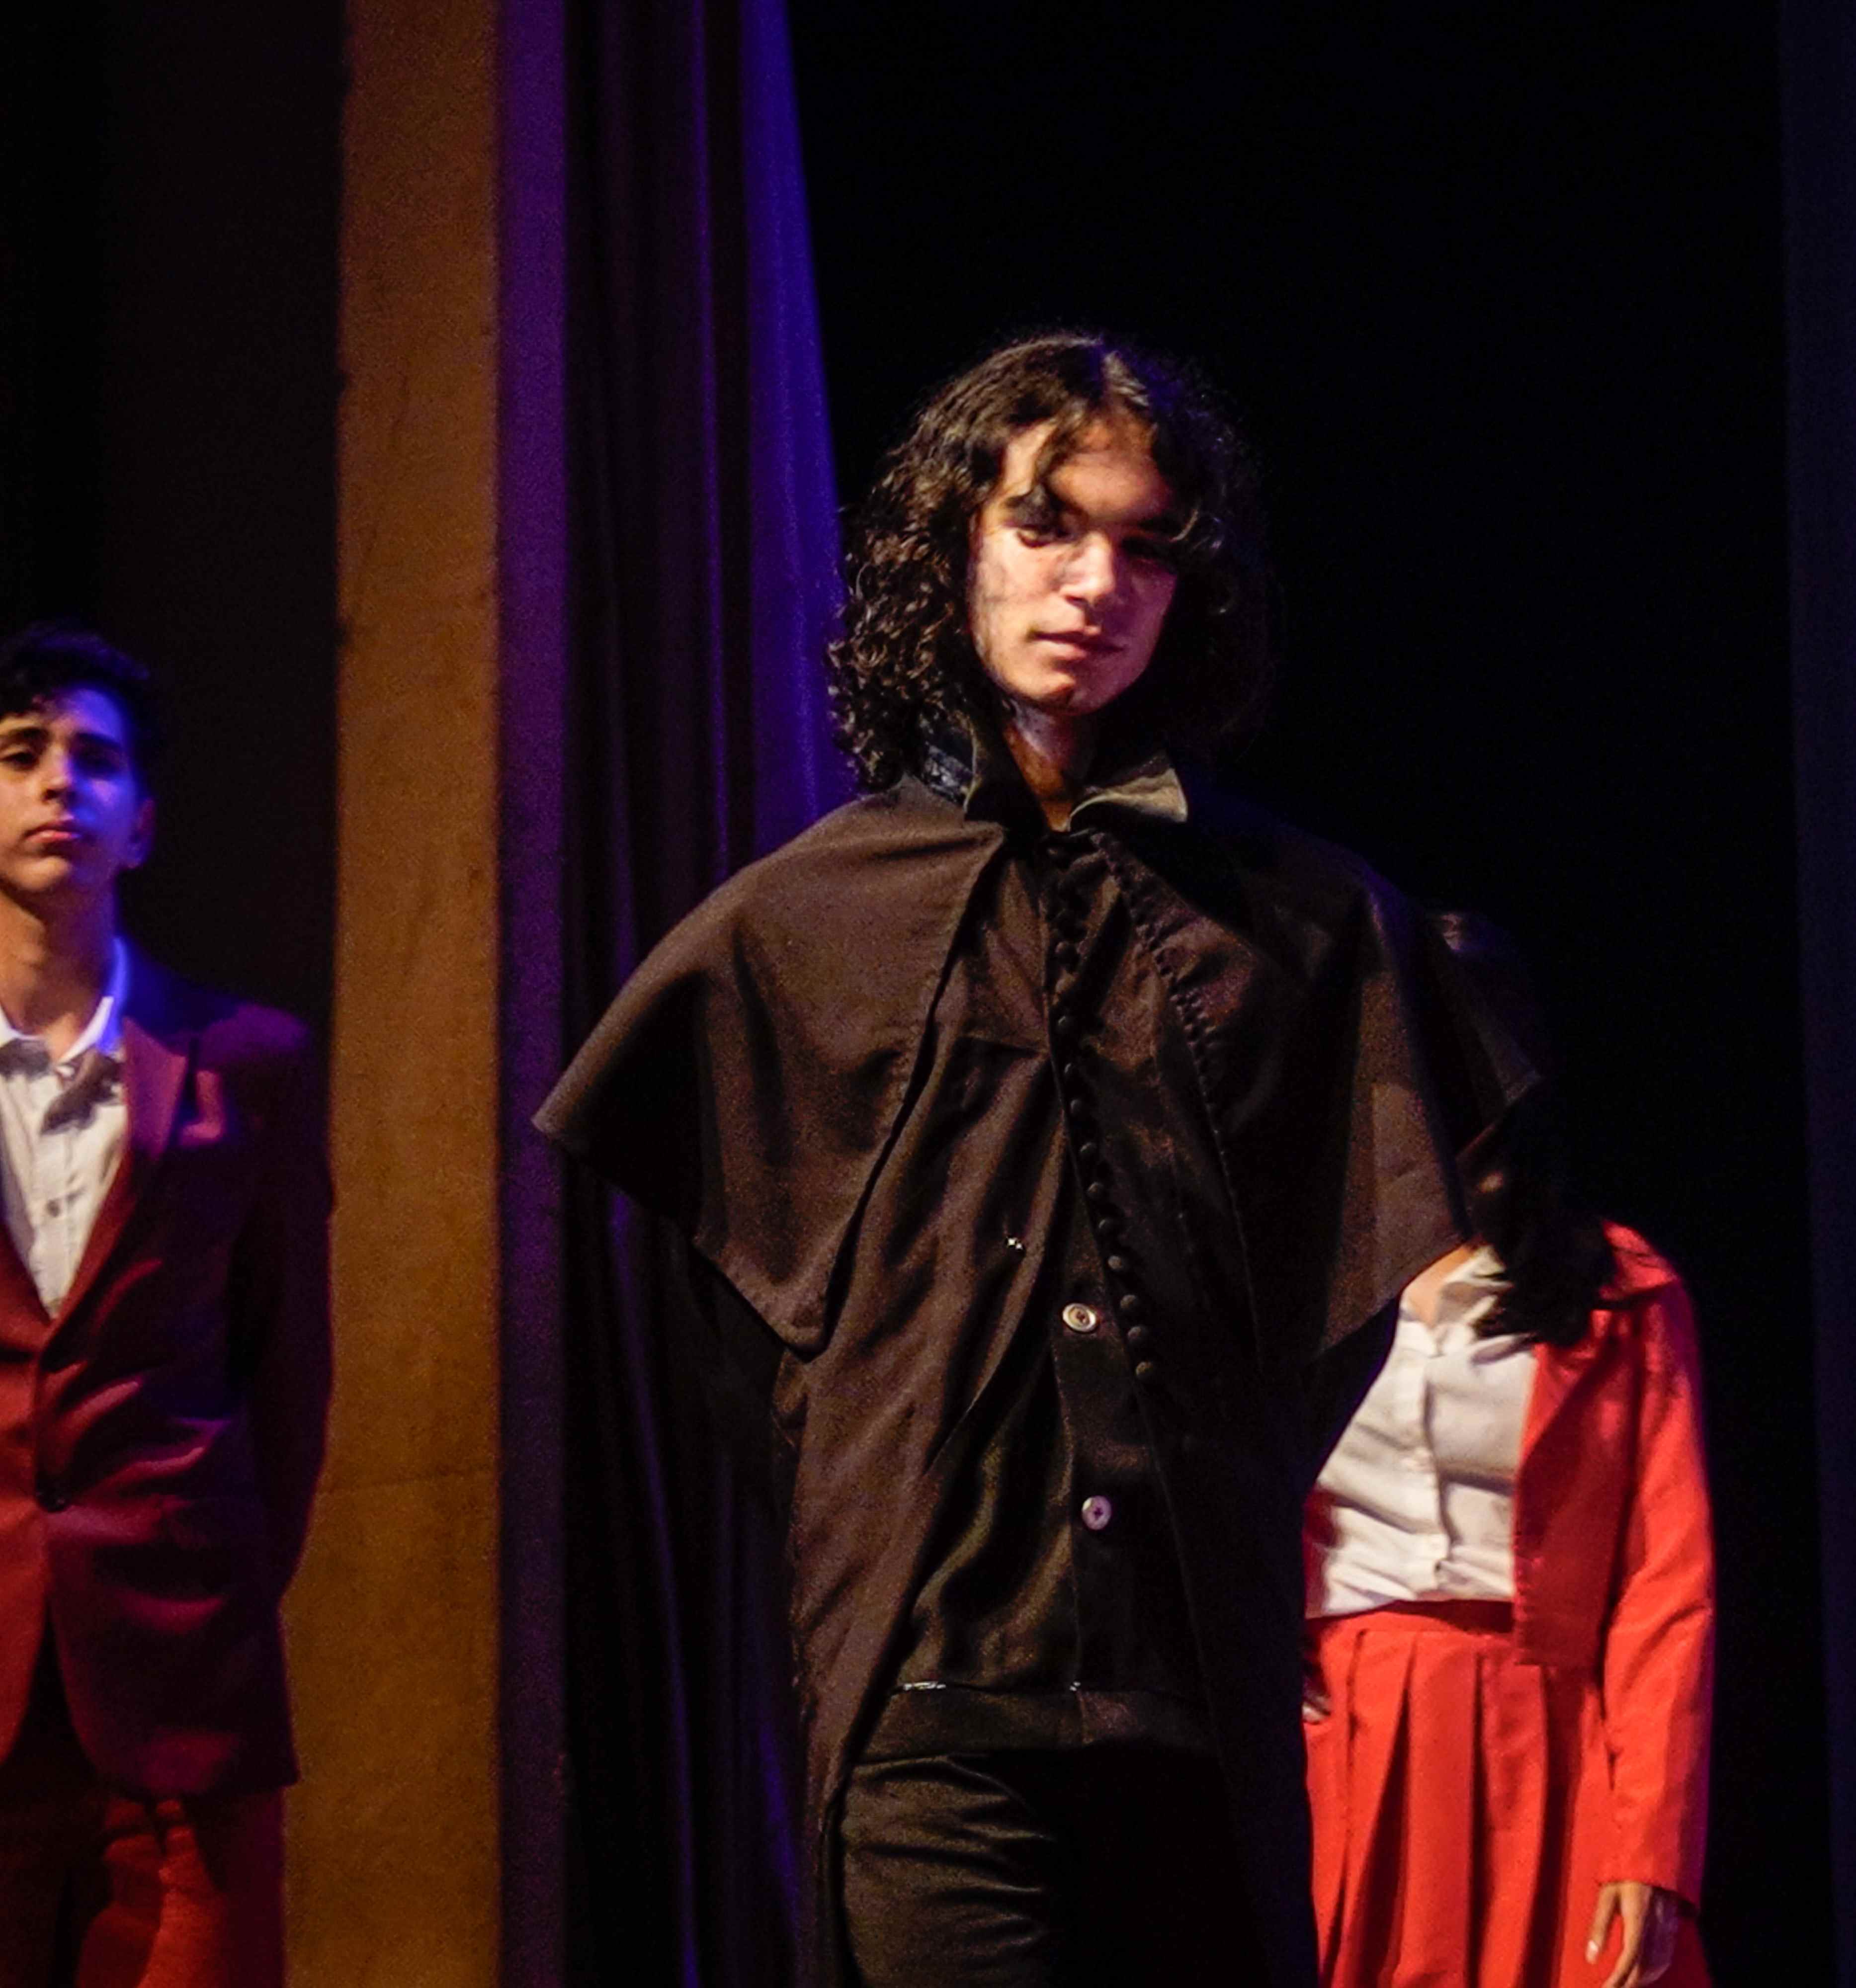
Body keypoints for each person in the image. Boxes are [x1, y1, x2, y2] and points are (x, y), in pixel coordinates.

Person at [536, 332, 1466, 1988]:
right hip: (932, 1693)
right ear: (954, 542)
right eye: (1046, 524)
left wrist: (1218, 1472)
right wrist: (884, 1477)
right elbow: (732, 1328)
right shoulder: (799, 923)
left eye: (1145, 546)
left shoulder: (1298, 925)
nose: (1095, 584)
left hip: (1190, 1690)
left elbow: (1342, 1292)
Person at [0, 625, 331, 1987]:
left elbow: (287, 1371)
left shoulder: (246, 1062)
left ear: (142, 822)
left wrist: (218, 1579)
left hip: (186, 1680)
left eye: (96, 758)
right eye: (21, 753)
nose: (58, 783)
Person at [1303, 913, 1712, 1988]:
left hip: (1552, 1747)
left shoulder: (1620, 1291)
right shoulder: (1296, 1277)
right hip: (1347, 1740)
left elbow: (1666, 1587)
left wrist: (1652, 1841)